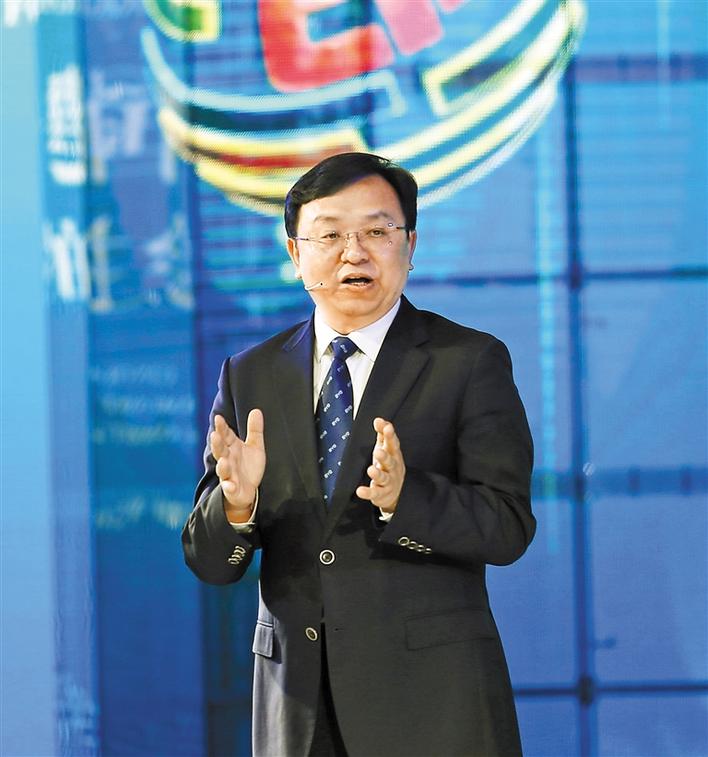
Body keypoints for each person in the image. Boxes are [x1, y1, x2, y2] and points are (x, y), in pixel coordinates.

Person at [182, 152, 535, 757]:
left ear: (410, 245)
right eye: (330, 235)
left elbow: (507, 528)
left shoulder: (467, 361)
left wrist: (405, 500)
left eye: (377, 231)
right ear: (295, 253)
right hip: (298, 712)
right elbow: (213, 564)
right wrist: (236, 505)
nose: (354, 253)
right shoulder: (251, 374)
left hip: (434, 709)